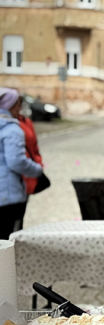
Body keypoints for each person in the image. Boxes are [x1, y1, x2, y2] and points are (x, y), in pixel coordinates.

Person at [0, 88, 42, 239]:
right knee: (10, 240)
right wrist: (37, 170)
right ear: (9, 106)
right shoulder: (12, 130)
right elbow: (16, 161)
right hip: (10, 196)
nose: (20, 109)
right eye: (17, 105)